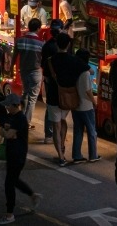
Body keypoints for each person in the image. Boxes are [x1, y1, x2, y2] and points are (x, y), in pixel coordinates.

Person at [0, 94, 42, 224]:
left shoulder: (20, 118)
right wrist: (8, 133)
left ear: (15, 105)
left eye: (8, 105)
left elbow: (7, 134)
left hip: (18, 155)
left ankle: (9, 214)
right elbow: (3, 132)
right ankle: (33, 195)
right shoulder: (11, 116)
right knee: (14, 180)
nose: (6, 107)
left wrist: (8, 133)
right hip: (12, 153)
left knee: (9, 183)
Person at [46, 31, 79, 166]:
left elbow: (47, 78)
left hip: (53, 95)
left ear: (56, 44)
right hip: (68, 96)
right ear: (68, 44)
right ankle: (63, 150)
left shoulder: (50, 61)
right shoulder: (73, 60)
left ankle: (60, 155)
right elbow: (87, 71)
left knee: (56, 125)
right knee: (63, 120)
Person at [12, 17, 45, 129]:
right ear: (38, 28)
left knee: (25, 94)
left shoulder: (20, 40)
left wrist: (12, 67)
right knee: (32, 98)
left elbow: (14, 55)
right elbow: (43, 59)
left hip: (23, 72)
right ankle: (26, 122)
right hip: (36, 72)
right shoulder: (41, 44)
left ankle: (21, 118)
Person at [71, 48, 100, 164]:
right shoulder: (85, 73)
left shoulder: (73, 71)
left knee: (78, 131)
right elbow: (88, 91)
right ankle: (93, 155)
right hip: (86, 106)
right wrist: (94, 101)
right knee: (92, 131)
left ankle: (77, 156)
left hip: (75, 106)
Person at [41, 18, 65, 144]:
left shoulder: (46, 46)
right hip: (60, 80)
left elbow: (43, 64)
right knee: (62, 105)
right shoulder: (64, 45)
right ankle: (57, 133)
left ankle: (49, 134)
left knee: (51, 105)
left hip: (49, 79)